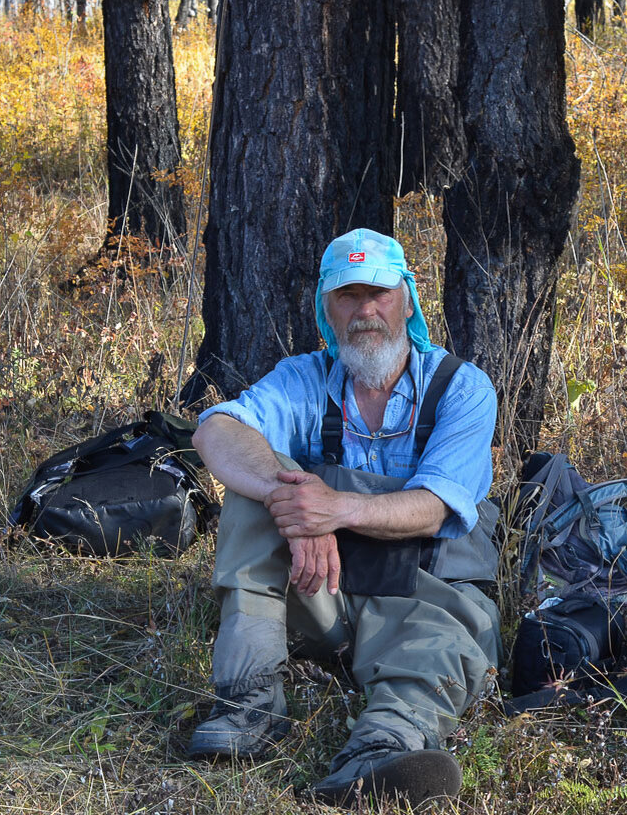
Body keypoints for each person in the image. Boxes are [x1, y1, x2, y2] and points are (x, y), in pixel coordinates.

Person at [187, 228, 500, 807]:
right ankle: (248, 702)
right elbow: (217, 428)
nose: (366, 311)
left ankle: (378, 754)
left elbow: (435, 507)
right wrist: (294, 501)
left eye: (378, 293)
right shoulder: (305, 378)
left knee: (434, 651)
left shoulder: (463, 389)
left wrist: (333, 510)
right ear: (325, 310)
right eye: (347, 296)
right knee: (256, 482)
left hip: (428, 595)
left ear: (407, 298)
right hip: (324, 594)